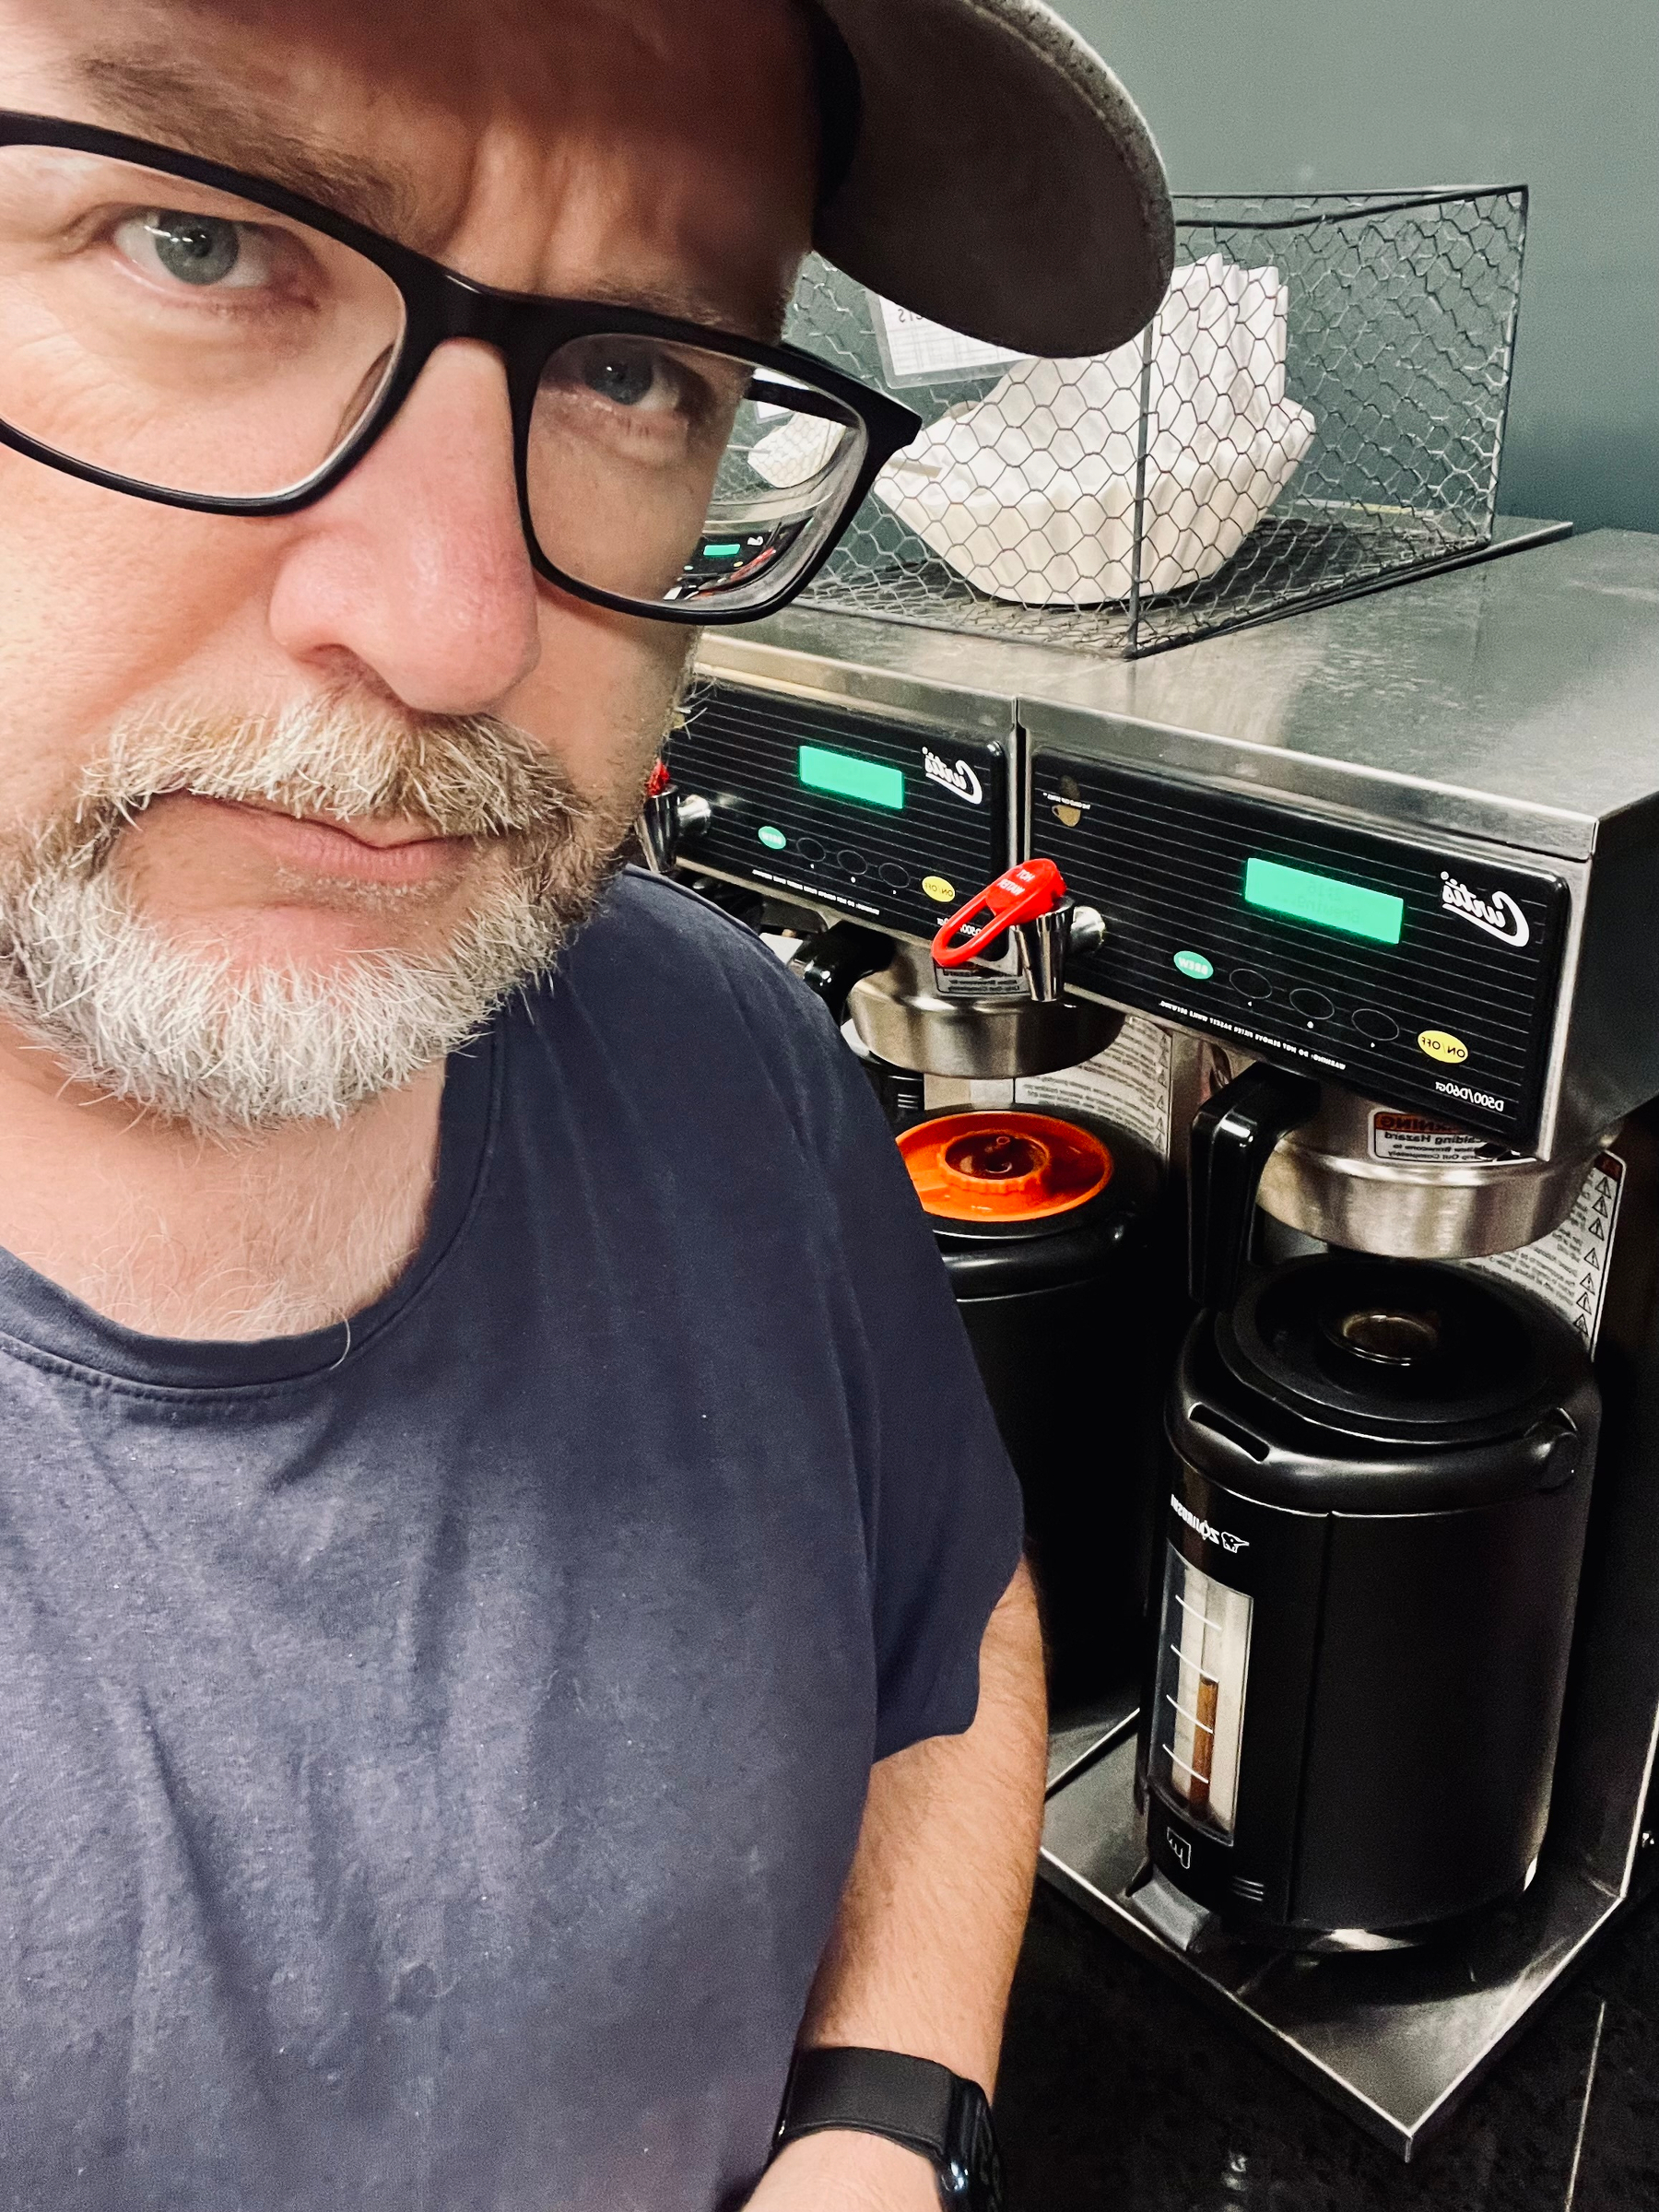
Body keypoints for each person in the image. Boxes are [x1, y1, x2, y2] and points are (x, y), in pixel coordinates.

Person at [0, 1, 1171, 2205]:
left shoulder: (715, 1039)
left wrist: (883, 2124)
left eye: (639, 370)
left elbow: (949, 1608)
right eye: (198, 242)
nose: (458, 628)